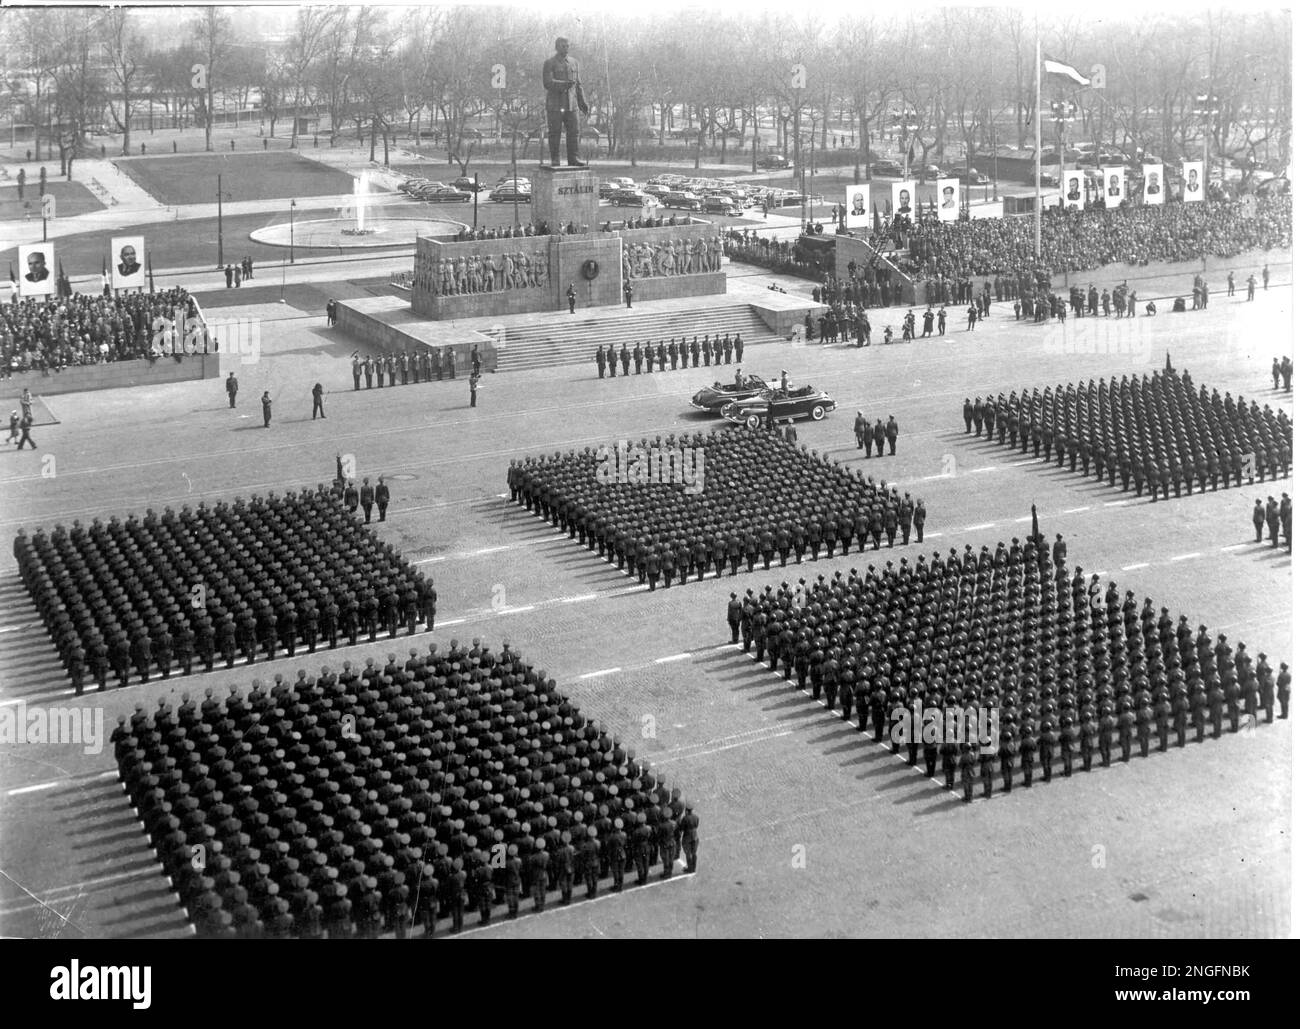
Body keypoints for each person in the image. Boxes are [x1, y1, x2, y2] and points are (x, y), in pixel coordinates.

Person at [542, 37, 589, 167]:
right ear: (557, 47)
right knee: (555, 132)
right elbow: (547, 83)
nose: (566, 48)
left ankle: (573, 158)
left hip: (571, 104)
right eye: (563, 46)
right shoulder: (549, 63)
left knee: (574, 132)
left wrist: (582, 102)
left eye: (568, 46)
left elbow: (578, 84)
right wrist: (564, 84)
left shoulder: (574, 62)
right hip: (555, 105)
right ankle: (555, 159)